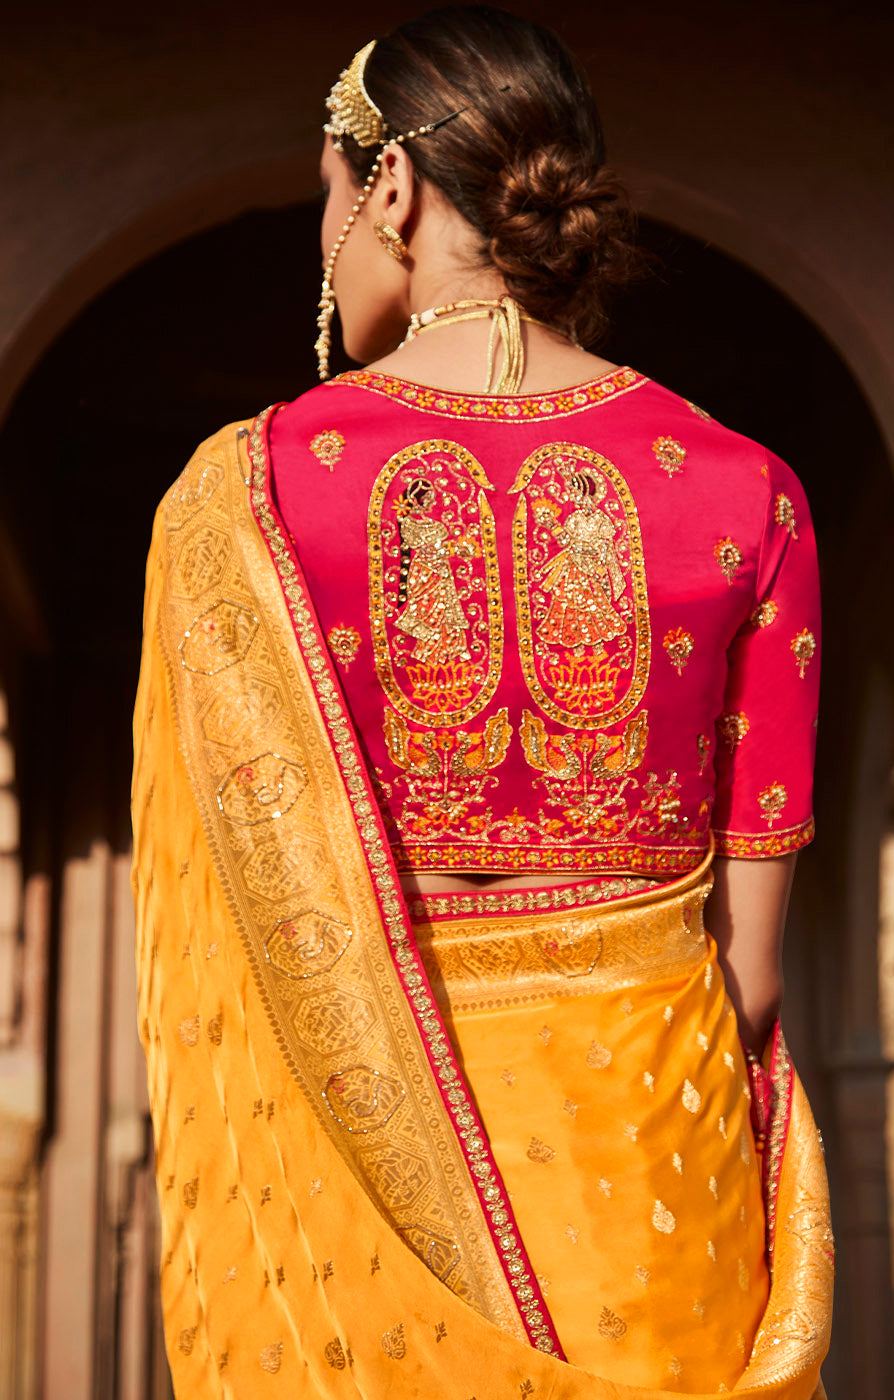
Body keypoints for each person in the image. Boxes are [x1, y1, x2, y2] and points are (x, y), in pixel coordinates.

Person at [130, 7, 834, 1398]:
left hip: (355, 1195)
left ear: (389, 186)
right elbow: (749, 977)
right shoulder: (749, 491)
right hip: (651, 1172)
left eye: (328, 194)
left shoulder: (252, 491)